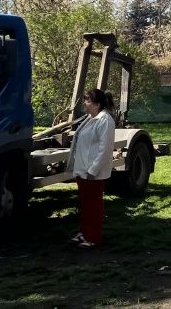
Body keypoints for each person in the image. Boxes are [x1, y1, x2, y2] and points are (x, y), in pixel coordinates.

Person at [67, 89, 116, 248]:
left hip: (92, 173)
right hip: (83, 171)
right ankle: (84, 233)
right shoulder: (90, 119)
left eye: (87, 101)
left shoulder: (105, 121)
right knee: (85, 205)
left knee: (93, 206)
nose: (84, 103)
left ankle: (93, 238)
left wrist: (92, 171)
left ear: (97, 104)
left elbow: (105, 150)